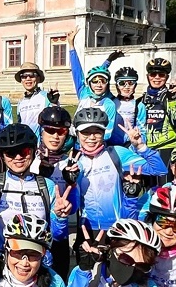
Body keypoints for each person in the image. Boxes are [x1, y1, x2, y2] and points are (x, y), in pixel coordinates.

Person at [61, 107, 165, 269]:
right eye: (86, 133)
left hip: (117, 228)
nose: (91, 138)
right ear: (77, 134)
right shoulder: (75, 162)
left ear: (104, 133)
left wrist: (140, 146)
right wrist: (71, 184)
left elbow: (159, 170)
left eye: (97, 132)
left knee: (118, 275)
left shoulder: (116, 153)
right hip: (88, 230)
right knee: (88, 277)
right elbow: (73, 207)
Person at [0, 123, 70, 258]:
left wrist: (60, 217)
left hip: (37, 260)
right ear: (2, 156)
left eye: (24, 151)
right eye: (11, 153)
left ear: (33, 151)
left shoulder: (48, 186)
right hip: (2, 258)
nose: (18, 157)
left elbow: (58, 236)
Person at [31, 105, 77, 274]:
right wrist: (38, 175)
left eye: (61, 131)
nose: (55, 136)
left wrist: (73, 185)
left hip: (59, 234)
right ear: (41, 131)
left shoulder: (70, 164)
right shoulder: (30, 161)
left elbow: (75, 208)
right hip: (34, 233)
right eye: (50, 130)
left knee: (60, 281)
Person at [136, 57, 176, 164]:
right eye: (153, 74)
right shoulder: (141, 100)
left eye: (161, 75)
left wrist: (172, 100)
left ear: (166, 77)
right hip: (145, 148)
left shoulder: (173, 97)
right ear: (148, 76)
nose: (157, 77)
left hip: (167, 148)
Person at [68, 45, 120, 141]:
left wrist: (86, 137)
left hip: (95, 143)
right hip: (78, 143)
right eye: (95, 82)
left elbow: (107, 134)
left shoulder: (109, 104)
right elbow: (77, 71)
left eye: (103, 81)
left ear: (107, 84)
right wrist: (71, 45)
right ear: (89, 84)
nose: (99, 85)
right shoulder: (84, 93)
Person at [13, 62, 54, 134]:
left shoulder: (47, 97)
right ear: (21, 80)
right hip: (25, 140)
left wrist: (55, 103)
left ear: (38, 78)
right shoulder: (21, 102)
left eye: (32, 75)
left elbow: (56, 118)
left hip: (41, 140)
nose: (28, 79)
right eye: (24, 76)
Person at [110, 65, 141, 147]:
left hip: (130, 145)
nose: (126, 87)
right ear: (117, 86)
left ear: (135, 85)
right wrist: (108, 61)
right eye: (122, 83)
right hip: (110, 145)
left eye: (131, 83)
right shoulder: (110, 103)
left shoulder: (139, 105)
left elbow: (142, 130)